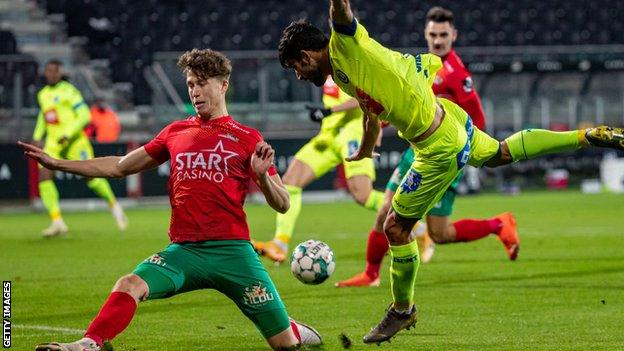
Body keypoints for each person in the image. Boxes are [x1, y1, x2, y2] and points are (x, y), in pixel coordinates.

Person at [277, 0, 624, 344]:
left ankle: (402, 310)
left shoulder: (344, 41)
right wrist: (367, 149)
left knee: (395, 228)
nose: (299, 75)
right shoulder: (344, 71)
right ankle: (586, 136)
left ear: (307, 56)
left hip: (437, 146)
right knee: (500, 153)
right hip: (450, 118)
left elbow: (340, 10)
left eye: (296, 67)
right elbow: (370, 112)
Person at [22, 49, 322, 351]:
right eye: (191, 84)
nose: (195, 91)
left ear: (223, 85)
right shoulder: (176, 132)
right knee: (129, 283)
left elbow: (283, 202)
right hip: (184, 252)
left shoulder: (248, 138)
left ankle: (292, 328)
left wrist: (262, 177)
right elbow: (119, 166)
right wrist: (58, 163)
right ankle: (89, 344)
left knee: (286, 346)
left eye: (202, 83)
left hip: (233, 253)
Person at [335, 6, 519, 288]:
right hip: (417, 150)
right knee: (386, 209)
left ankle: (498, 224)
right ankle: (371, 274)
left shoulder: (458, 75)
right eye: (433, 34)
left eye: (443, 35)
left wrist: (464, 157)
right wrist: (379, 125)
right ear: (425, 33)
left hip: (447, 153)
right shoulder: (419, 64)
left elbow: (477, 120)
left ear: (453, 35)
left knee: (440, 233)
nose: (437, 40)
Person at [253, 75, 384, 262]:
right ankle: (279, 244)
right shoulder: (327, 69)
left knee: (364, 195)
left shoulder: (351, 63)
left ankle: (416, 225)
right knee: (291, 181)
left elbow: (366, 97)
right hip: (328, 137)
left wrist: (330, 111)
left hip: (352, 134)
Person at [32, 59, 127, 237]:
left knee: (91, 177)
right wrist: (37, 136)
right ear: (45, 73)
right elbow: (44, 116)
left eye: (55, 71)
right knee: (44, 175)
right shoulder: (43, 94)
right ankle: (57, 221)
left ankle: (114, 205)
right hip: (53, 141)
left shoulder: (69, 91)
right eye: (49, 71)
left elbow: (84, 115)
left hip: (75, 140)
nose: (51, 74)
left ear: (60, 73)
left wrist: (68, 133)